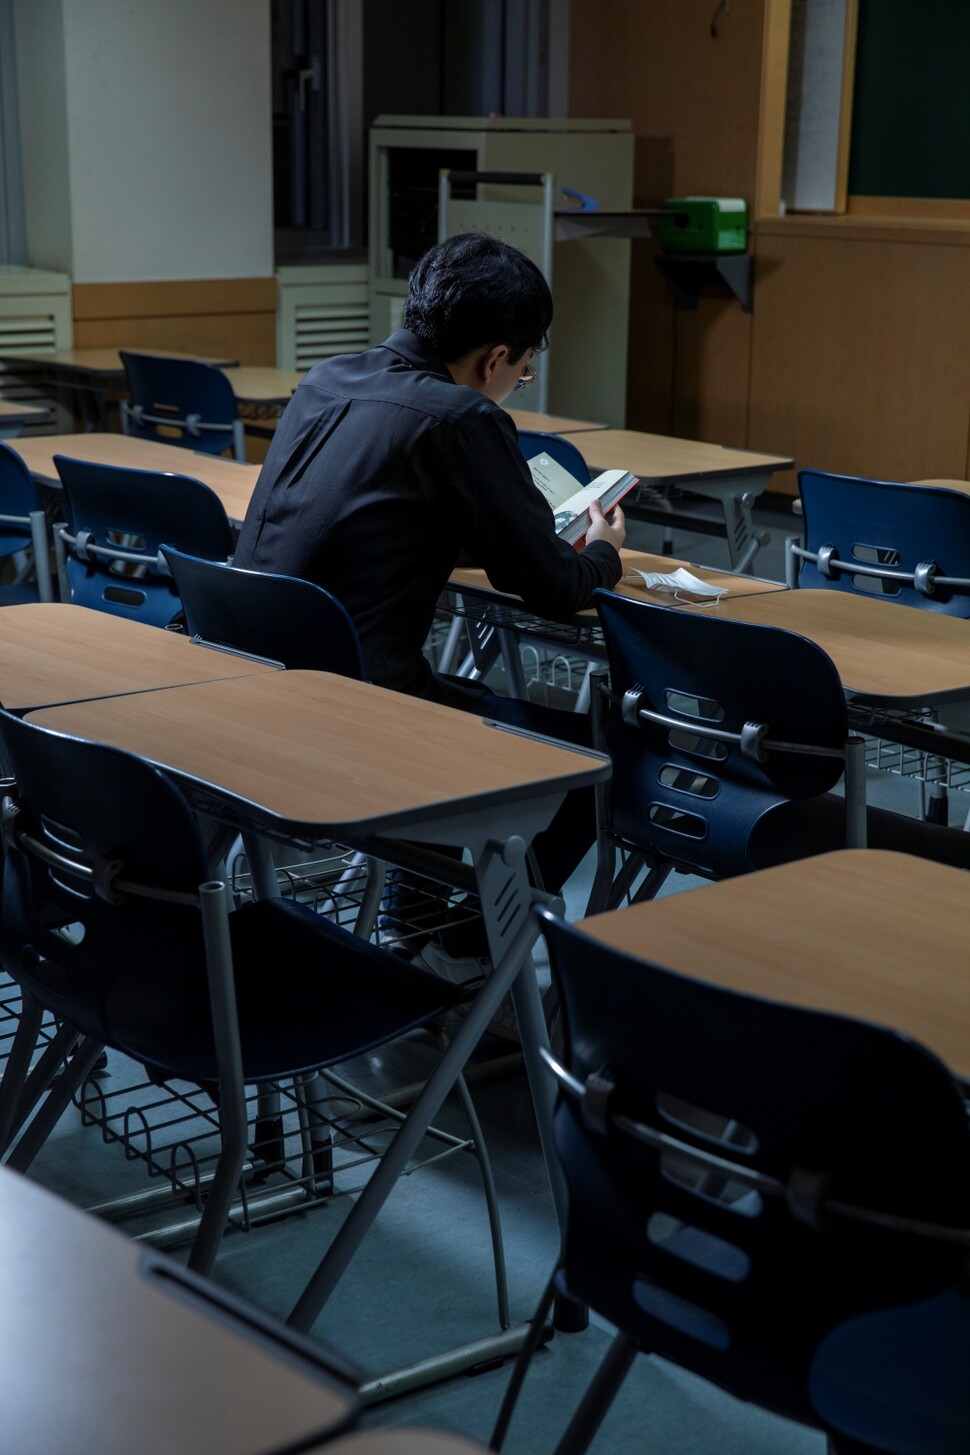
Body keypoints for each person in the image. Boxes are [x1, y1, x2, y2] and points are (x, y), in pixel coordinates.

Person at [234, 233, 626, 978]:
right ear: (493, 359)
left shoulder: (326, 379)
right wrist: (605, 549)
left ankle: (404, 929)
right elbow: (555, 588)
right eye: (524, 366)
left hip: (258, 684)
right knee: (587, 766)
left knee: (457, 702)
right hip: (355, 717)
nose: (520, 380)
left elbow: (375, 518)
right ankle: (467, 957)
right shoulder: (462, 418)